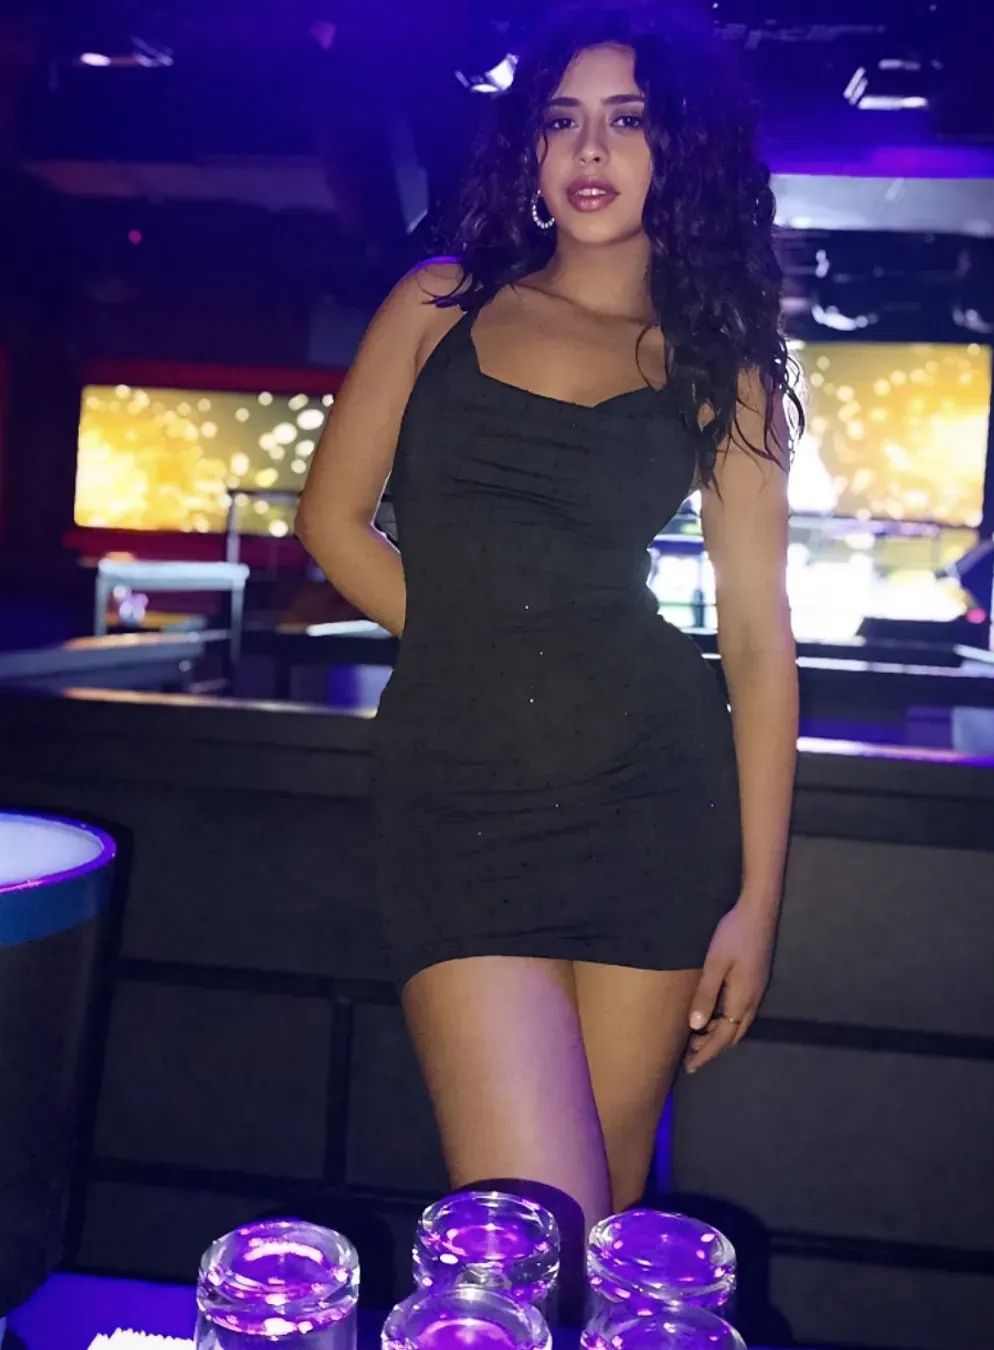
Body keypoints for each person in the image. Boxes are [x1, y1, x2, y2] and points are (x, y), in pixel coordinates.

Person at [296, 0, 802, 1299]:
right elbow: (332, 524)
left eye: (628, 120)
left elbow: (757, 642)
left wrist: (755, 900)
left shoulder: (718, 361)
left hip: (653, 807)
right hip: (458, 807)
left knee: (600, 1249)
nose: (589, 149)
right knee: (533, 1233)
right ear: (527, 144)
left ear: (680, 150)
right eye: (563, 118)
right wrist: (486, 650)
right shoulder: (440, 304)